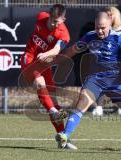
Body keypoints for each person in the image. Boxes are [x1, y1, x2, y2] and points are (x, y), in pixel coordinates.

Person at [54, 12, 121, 150]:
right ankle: (64, 136)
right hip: (95, 80)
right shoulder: (90, 36)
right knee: (80, 106)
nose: (99, 31)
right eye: (97, 27)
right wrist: (58, 59)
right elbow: (74, 49)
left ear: (110, 25)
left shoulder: (119, 38)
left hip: (116, 82)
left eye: (102, 27)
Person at [19, 4, 77, 149]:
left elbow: (57, 49)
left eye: (57, 22)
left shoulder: (63, 34)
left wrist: (45, 54)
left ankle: (62, 139)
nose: (53, 24)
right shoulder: (41, 17)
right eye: (51, 20)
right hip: (29, 58)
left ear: (63, 19)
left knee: (52, 100)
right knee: (40, 82)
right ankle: (53, 111)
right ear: (48, 15)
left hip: (44, 64)